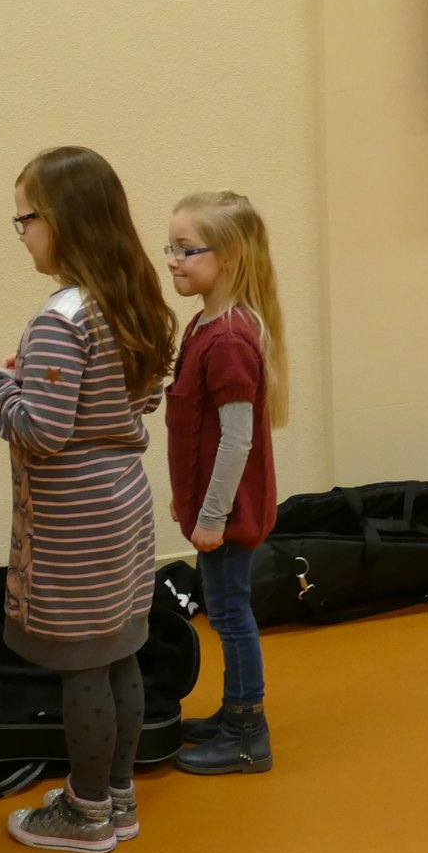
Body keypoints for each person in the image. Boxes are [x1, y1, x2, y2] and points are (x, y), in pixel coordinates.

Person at [0, 147, 176, 853]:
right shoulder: (132, 302)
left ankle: (87, 811)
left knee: (83, 663)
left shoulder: (61, 318)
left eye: (26, 219)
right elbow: (143, 401)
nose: (22, 234)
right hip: (124, 498)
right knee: (119, 649)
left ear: (62, 221)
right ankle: (117, 797)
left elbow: (42, 432)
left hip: (74, 516)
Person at [162, 191, 290, 776]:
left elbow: (236, 441)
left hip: (229, 514)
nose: (173, 261)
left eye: (187, 250)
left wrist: (211, 515)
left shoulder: (231, 340)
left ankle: (247, 732)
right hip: (212, 508)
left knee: (231, 615)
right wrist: (186, 497)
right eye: (170, 248)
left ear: (230, 256)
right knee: (222, 609)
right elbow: (195, 430)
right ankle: (232, 711)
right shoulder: (203, 326)